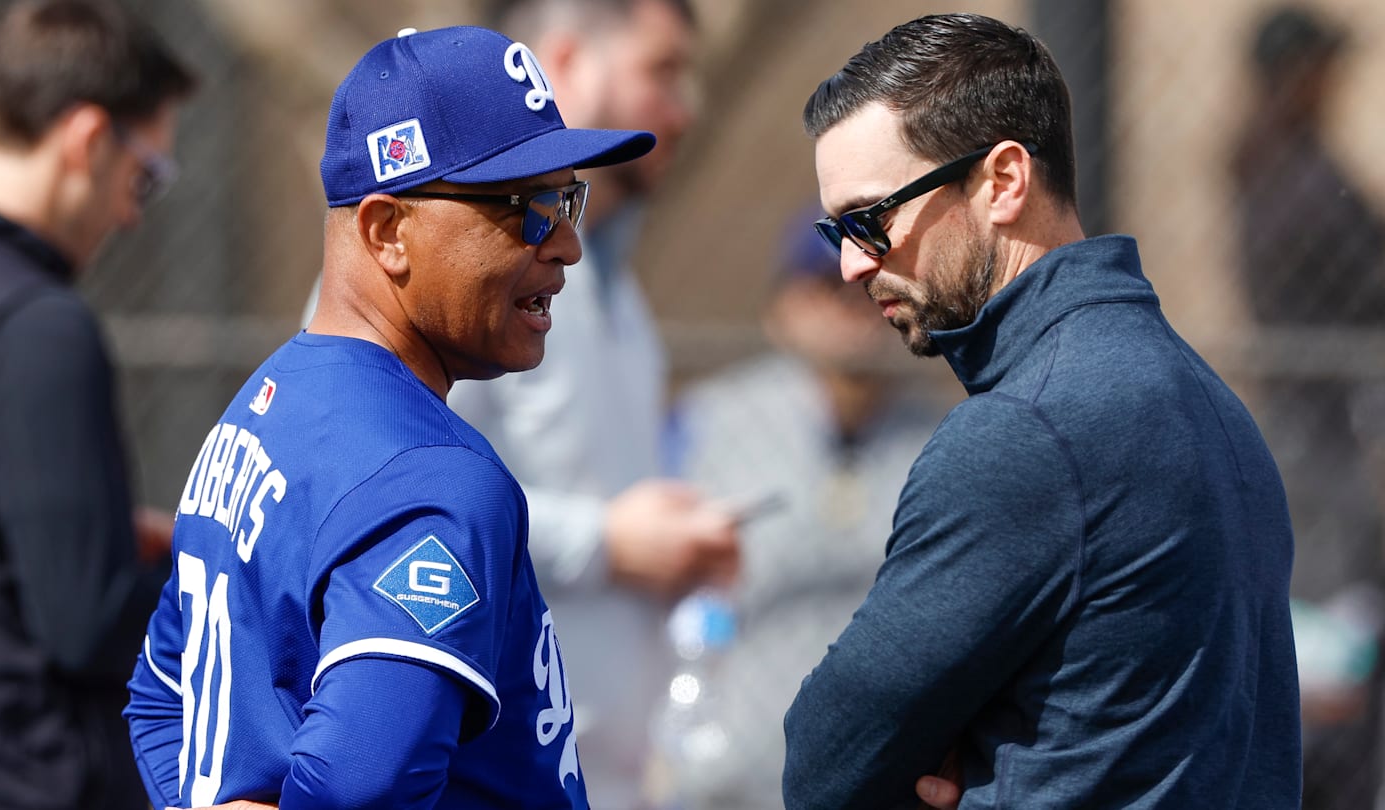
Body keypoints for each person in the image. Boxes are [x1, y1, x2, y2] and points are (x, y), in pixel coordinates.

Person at [124, 24, 655, 809]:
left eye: (566, 198)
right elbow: (357, 792)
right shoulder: (434, 480)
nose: (569, 244)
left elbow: (161, 696)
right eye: (528, 208)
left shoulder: (266, 402)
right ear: (387, 231)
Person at [782, 13, 1301, 809]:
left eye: (869, 220)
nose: (853, 264)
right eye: (835, 231)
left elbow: (827, 765)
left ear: (1003, 181)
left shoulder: (1029, 430)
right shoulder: (1205, 398)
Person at [446, 2, 741, 806]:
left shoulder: (620, 290)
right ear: (567, 60)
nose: (684, 111)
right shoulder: (459, 276)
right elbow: (405, 503)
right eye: (661, 72)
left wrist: (671, 547)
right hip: (490, 773)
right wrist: (613, 540)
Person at [0, 1, 194, 808]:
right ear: (87, 140)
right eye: (144, 177)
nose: (129, 212)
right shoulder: (36, 326)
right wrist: (208, 579)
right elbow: (84, 621)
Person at [661, 208, 945, 809]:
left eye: (867, 290)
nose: (850, 310)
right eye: (825, 288)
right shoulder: (709, 424)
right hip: (727, 768)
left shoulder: (941, 440)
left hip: (883, 773)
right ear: (781, 309)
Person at [1229, 7, 1385, 808]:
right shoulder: (1295, 179)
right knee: (1339, 633)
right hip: (1321, 438)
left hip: (1319, 430)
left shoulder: (1280, 164)